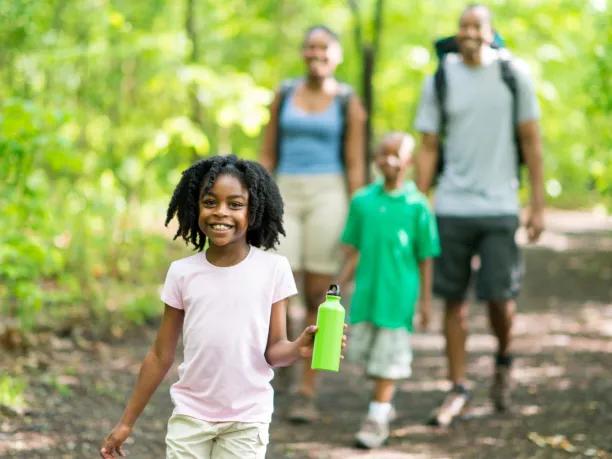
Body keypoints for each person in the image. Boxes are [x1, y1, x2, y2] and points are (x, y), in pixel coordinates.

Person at [99, 155, 347, 459]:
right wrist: (127, 422)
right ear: (195, 206)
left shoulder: (273, 269)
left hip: (247, 418)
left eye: (235, 204)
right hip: (190, 415)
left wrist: (298, 348)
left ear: (253, 210)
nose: (221, 212)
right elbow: (160, 354)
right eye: (210, 202)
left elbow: (273, 351)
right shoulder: (182, 272)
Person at [414, 3, 545, 427]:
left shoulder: (514, 75)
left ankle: (504, 361)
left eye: (477, 26)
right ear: (457, 32)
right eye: (463, 26)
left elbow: (531, 140)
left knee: (499, 298)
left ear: (491, 32)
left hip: (501, 205)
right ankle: (458, 386)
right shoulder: (440, 78)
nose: (469, 32)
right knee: (453, 299)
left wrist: (537, 203)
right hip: (452, 205)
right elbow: (430, 145)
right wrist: (419, 202)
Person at [259, 24, 366, 423]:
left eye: (324, 47)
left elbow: (355, 163)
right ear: (303, 53)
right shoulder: (284, 94)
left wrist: (358, 220)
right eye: (310, 47)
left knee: (320, 291)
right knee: (277, 286)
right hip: (284, 189)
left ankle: (308, 386)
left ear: (336, 55)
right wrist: (253, 198)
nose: (316, 53)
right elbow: (267, 154)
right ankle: (278, 360)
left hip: (329, 193)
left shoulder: (347, 101)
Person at [335, 132, 440, 449]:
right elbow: (353, 251)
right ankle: (383, 404)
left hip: (398, 298)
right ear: (375, 159)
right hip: (366, 296)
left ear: (409, 162)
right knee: (367, 358)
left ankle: (377, 417)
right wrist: (338, 288)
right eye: (383, 153)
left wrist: (425, 304)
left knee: (388, 359)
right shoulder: (362, 201)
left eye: (397, 154)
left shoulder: (417, 206)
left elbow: (425, 259)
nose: (389, 160)